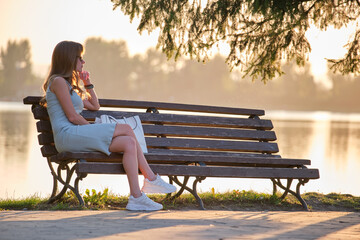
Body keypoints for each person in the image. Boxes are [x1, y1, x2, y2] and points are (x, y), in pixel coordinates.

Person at [41, 40, 176, 211]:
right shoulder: (58, 82)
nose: (83, 62)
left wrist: (87, 83)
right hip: (68, 135)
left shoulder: (69, 86)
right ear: (69, 59)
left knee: (129, 143)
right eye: (80, 58)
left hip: (76, 133)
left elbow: (95, 106)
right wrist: (92, 130)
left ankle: (136, 197)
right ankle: (150, 177)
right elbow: (73, 117)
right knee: (126, 129)